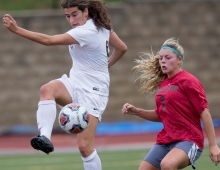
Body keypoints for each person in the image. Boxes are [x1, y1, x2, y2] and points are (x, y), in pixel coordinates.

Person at [3, 0, 127, 169]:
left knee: (84, 147)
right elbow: (122, 48)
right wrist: (104, 66)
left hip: (93, 92)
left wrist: (17, 30)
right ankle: (44, 137)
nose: (71, 20)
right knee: (48, 89)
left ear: (86, 12)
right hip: (74, 82)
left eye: (74, 14)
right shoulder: (102, 27)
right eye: (67, 16)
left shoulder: (87, 31)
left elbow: (48, 40)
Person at [122, 38, 220, 170]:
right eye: (161, 58)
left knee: (167, 165)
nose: (163, 60)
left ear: (179, 60)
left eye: (168, 57)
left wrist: (213, 145)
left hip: (190, 140)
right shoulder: (163, 85)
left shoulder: (188, 81)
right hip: (166, 140)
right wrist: (136, 111)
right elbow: (161, 114)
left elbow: (205, 113)